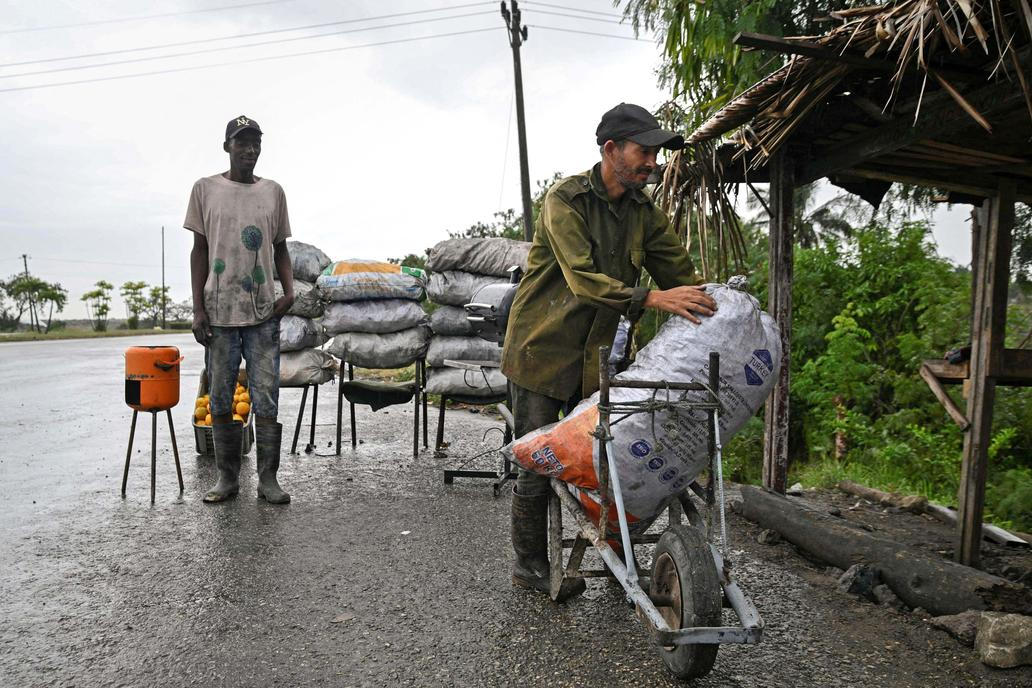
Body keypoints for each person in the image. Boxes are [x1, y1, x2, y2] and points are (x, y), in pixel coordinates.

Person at [500, 103, 718, 593]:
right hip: (542, 351)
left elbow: (681, 278)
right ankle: (529, 566)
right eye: (645, 152)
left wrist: (720, 306)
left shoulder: (644, 213)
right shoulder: (566, 199)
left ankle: (616, 557)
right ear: (611, 149)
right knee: (538, 462)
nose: (653, 163)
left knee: (609, 459)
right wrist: (652, 298)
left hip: (600, 358)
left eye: (657, 155)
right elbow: (583, 280)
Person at [185, 115, 295, 505]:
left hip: (263, 313)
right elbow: (199, 251)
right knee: (219, 397)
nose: (250, 149)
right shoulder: (205, 189)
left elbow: (281, 249)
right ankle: (227, 478)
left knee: (266, 397)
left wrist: (290, 292)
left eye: (255, 143)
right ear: (227, 146)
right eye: (242, 142)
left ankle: (268, 480)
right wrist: (198, 309)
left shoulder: (273, 192)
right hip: (219, 313)